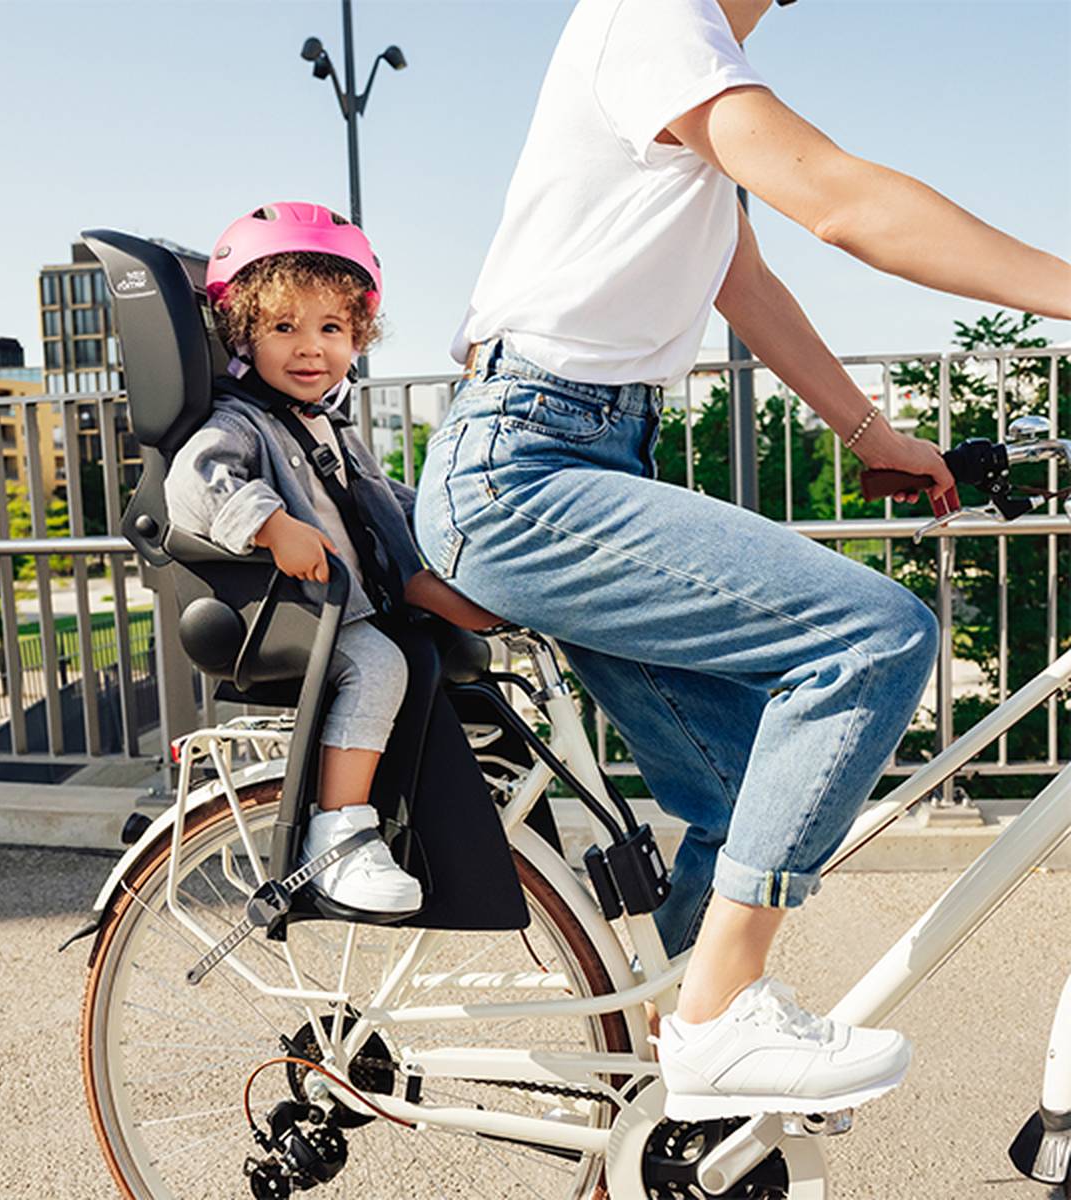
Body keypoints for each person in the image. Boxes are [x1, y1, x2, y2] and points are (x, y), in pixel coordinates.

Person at [413, 0, 1071, 1120]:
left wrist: (875, 435)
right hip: (524, 473)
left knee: (732, 798)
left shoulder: (689, 65)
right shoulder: (652, 16)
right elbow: (846, 204)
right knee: (872, 633)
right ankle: (719, 1020)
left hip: (578, 458)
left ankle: (680, 1083)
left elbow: (745, 282)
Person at [165, 202, 499, 916]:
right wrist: (268, 523)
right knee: (381, 667)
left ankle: (477, 822)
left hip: (374, 592)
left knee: (474, 658)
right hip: (308, 614)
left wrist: (456, 525)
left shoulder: (329, 427)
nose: (309, 347)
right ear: (243, 334)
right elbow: (193, 482)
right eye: (283, 327)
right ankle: (338, 836)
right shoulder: (241, 420)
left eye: (331, 328)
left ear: (357, 338)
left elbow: (389, 503)